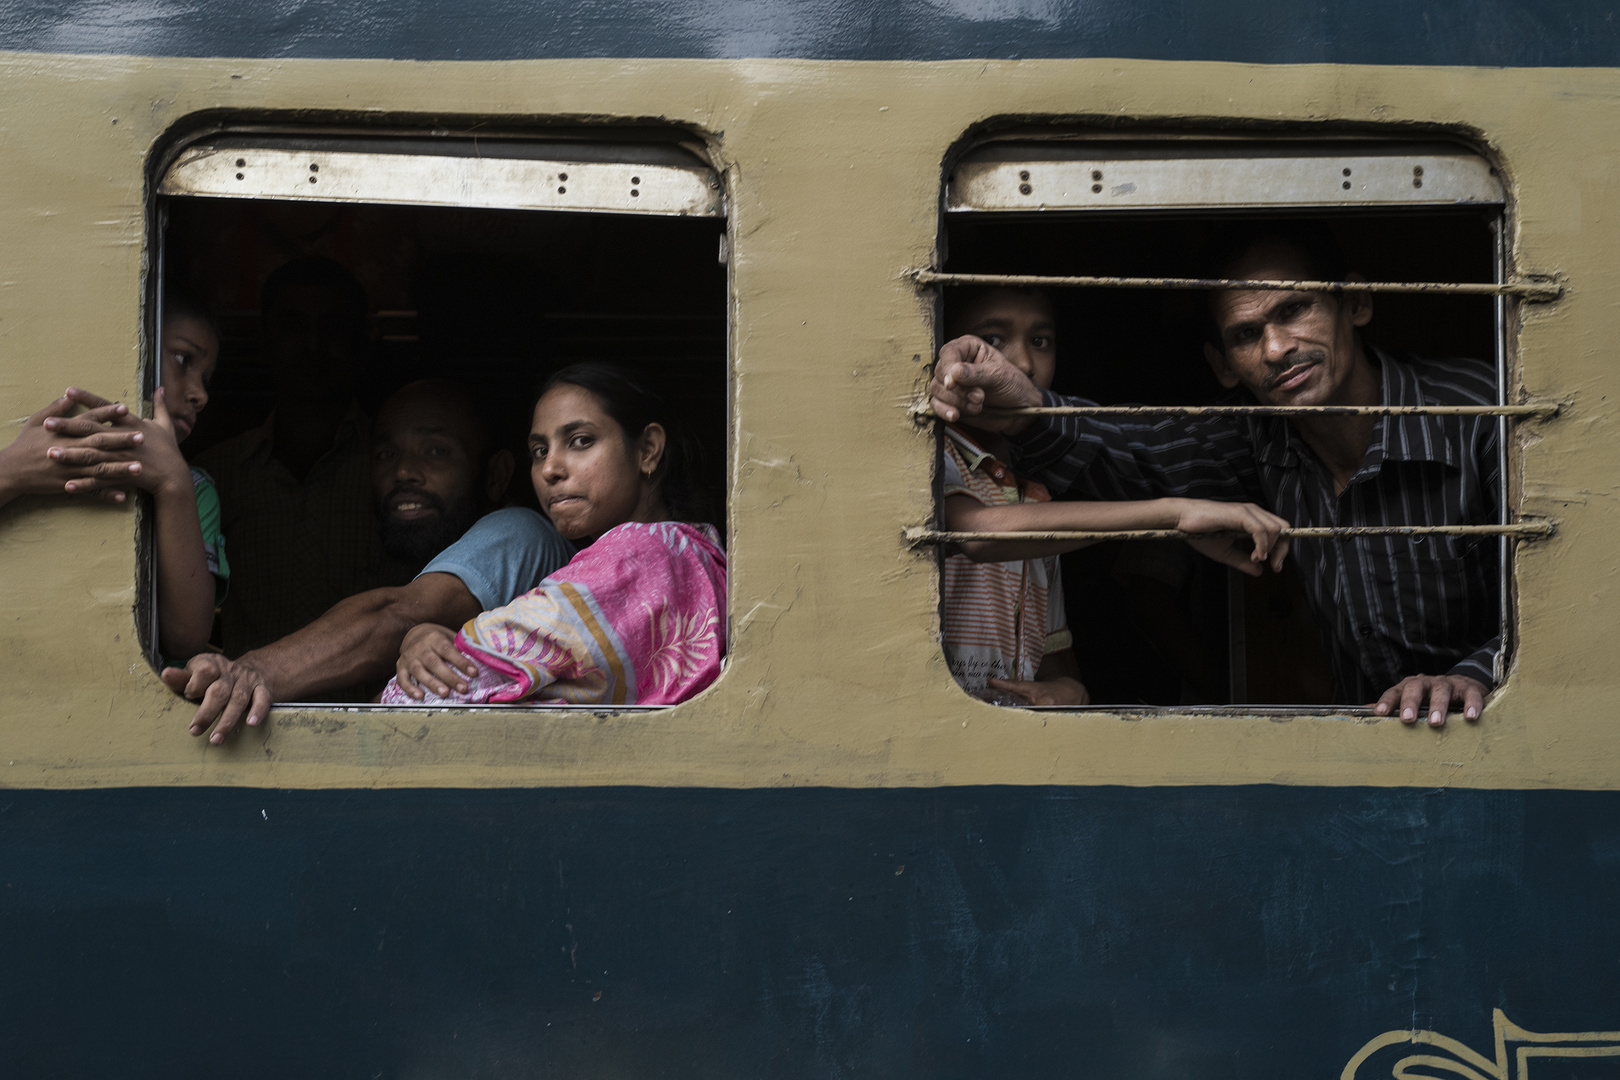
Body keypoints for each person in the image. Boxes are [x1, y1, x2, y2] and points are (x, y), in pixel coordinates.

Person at [929, 223, 1501, 727]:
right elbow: (1130, 450)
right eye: (1246, 335)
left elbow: (1576, 592)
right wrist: (1024, 402)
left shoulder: (1481, 416)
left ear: (1355, 302)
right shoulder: (1258, 438)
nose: (1277, 348)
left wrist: (1473, 675)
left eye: (1293, 310)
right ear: (1223, 366)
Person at [937, 286, 1292, 707]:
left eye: (1040, 341)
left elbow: (1053, 662)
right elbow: (977, 533)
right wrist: (1171, 515)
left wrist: (1069, 689)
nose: (1023, 364)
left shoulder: (1034, 491)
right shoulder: (934, 457)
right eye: (992, 341)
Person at [166, 379, 575, 743]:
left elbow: (397, 614)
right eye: (385, 453)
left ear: (496, 475)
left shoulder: (520, 531)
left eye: (436, 451)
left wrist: (253, 671)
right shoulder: (415, 546)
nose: (403, 471)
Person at [382, 361, 726, 707]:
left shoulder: (631, 561)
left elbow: (416, 698)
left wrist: (430, 645)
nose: (549, 469)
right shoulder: (693, 552)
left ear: (648, 449)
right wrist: (429, 636)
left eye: (580, 441)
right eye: (539, 451)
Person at [196, 255, 416, 655]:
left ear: (362, 339)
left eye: (333, 327)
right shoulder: (218, 474)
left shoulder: (402, 470)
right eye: (293, 325)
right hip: (249, 707)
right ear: (262, 340)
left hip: (384, 707)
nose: (313, 345)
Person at [0, 299, 228, 661]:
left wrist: (173, 482)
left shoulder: (196, 489)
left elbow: (186, 638)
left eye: (207, 378)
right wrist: (11, 471)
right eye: (184, 360)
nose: (200, 394)